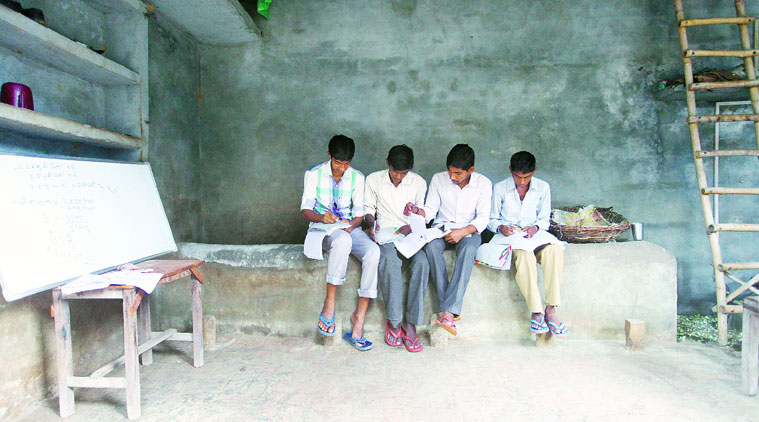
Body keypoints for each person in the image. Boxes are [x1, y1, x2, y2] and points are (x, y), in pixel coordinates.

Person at [300, 134, 380, 351]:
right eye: (337, 163)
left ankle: (359, 319)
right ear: (329, 156)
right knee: (342, 240)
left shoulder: (357, 177)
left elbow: (359, 213)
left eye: (346, 163)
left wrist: (352, 225)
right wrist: (321, 217)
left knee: (373, 251)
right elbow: (305, 210)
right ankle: (330, 304)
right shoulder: (313, 174)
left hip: (347, 228)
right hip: (322, 230)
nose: (342, 168)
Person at [407, 144, 492, 336]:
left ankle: (448, 311)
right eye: (450, 172)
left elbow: (483, 218)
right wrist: (417, 211)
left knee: (469, 250)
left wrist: (462, 232)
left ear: (471, 170)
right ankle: (448, 308)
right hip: (441, 229)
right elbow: (430, 210)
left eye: (458, 173)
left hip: (469, 230)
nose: (452, 177)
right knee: (430, 247)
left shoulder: (484, 184)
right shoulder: (438, 179)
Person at [487, 151, 569, 337]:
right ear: (510, 171)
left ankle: (551, 309)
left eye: (526, 177)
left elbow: (544, 220)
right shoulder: (500, 188)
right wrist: (501, 227)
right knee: (524, 257)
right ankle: (537, 312)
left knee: (554, 251)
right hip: (510, 238)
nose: (522, 181)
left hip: (534, 236)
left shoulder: (543, 188)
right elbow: (491, 219)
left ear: (534, 171)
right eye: (517, 176)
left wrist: (534, 228)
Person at [364, 145, 428, 353]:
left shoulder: (418, 183)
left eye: (404, 172)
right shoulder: (373, 180)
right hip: (386, 233)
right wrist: (371, 223)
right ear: (387, 164)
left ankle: (410, 323)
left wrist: (412, 223)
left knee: (422, 263)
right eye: (395, 171)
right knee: (390, 263)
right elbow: (368, 210)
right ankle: (394, 321)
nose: (399, 176)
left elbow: (422, 212)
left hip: (409, 234)